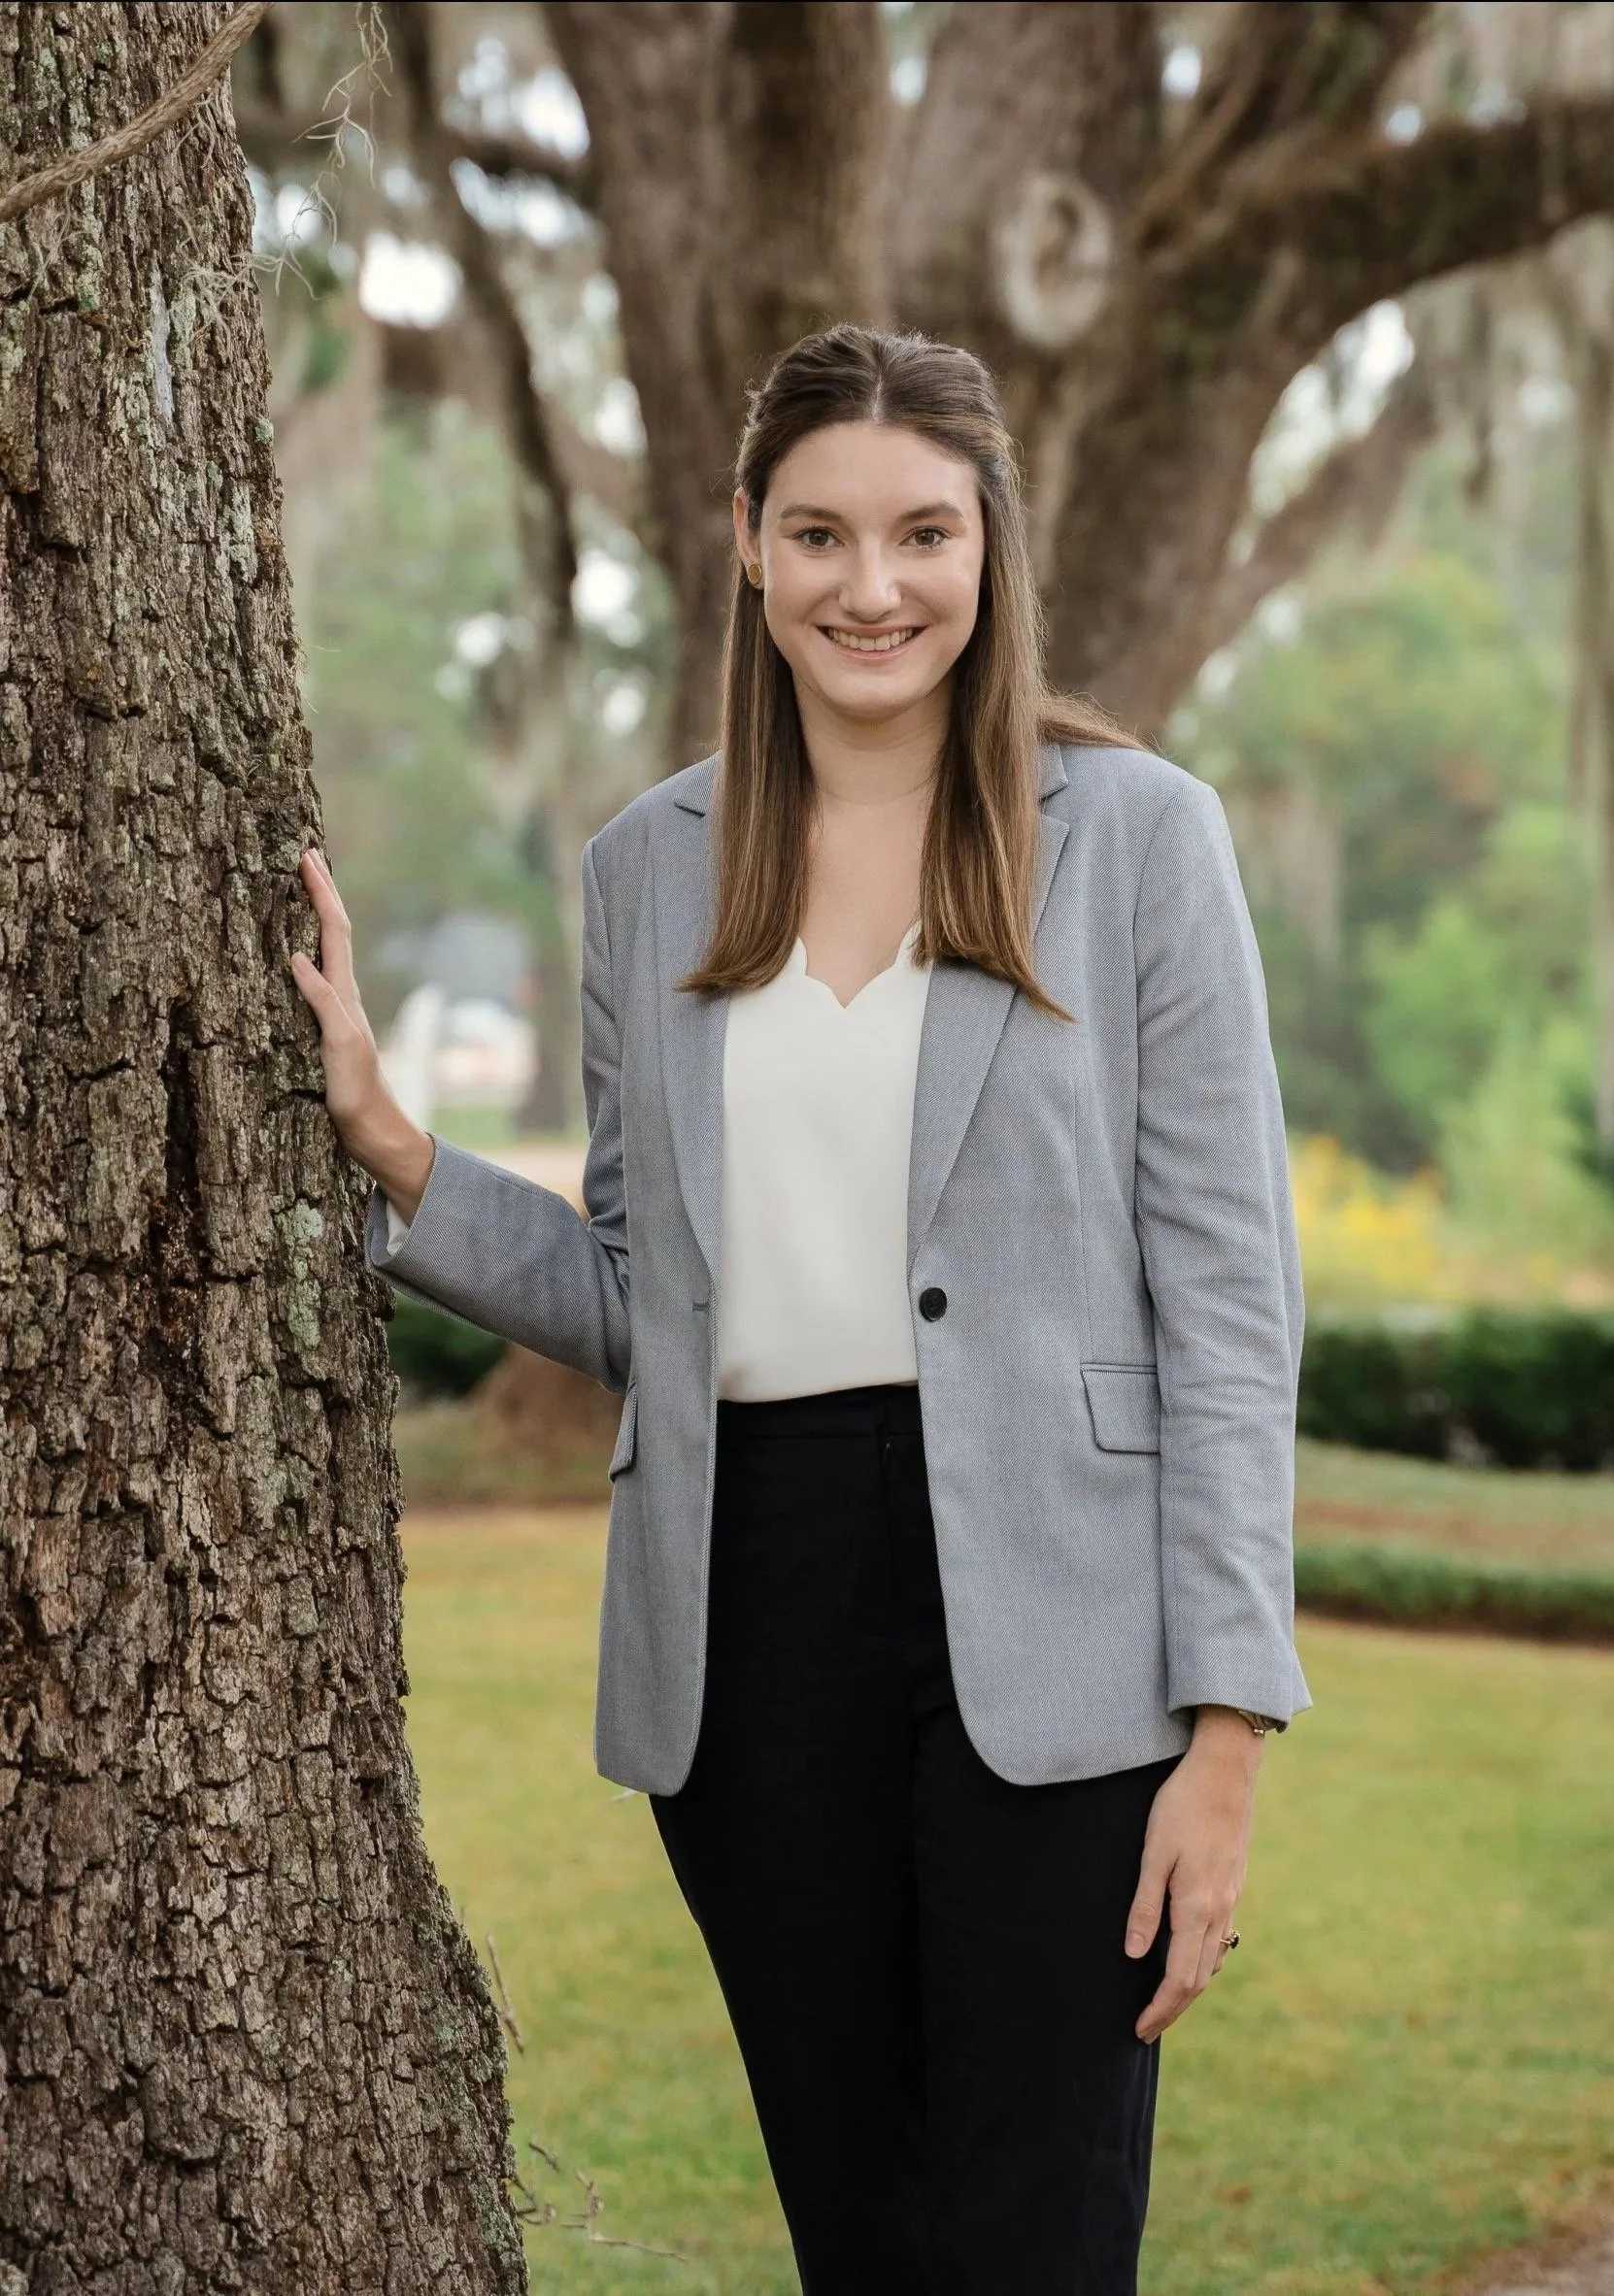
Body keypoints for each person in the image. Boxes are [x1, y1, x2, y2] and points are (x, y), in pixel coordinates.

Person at [289, 322, 1309, 2295]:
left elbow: (1227, 1303)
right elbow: (636, 1296)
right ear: (744, 544)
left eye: (922, 534)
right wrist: (395, 1150)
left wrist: (1228, 1729)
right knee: (860, 2232)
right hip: (748, 1616)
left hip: (1063, 1619)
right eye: (823, 534)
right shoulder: (643, 875)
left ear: (988, 546)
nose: (872, 586)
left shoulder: (1133, 840)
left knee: (1029, 2232)